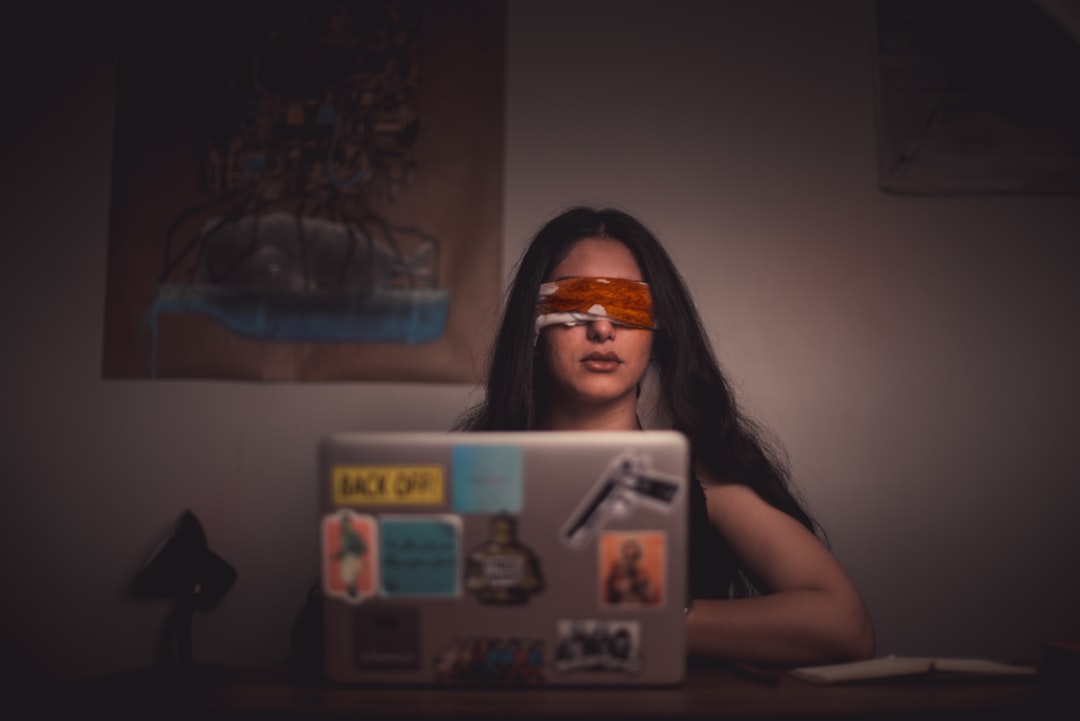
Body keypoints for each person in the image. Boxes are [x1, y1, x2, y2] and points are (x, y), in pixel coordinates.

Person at [455, 206, 876, 666]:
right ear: (533, 324)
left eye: (629, 305)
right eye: (575, 302)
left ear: (659, 330)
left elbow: (844, 626)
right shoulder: (470, 473)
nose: (601, 328)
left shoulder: (699, 474)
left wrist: (637, 620)